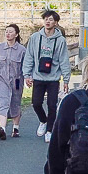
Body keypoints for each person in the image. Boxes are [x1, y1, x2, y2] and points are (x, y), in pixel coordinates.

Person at [22, 9, 70, 143]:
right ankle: (43, 121)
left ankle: (49, 130)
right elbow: (29, 56)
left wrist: (66, 79)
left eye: (50, 19)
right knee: (36, 103)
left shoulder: (60, 40)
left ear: (55, 22)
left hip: (53, 78)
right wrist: (27, 74)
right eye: (46, 19)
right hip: (38, 76)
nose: (47, 22)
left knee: (52, 105)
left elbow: (64, 60)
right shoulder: (35, 38)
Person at [0, 24, 26, 140]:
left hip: (17, 80)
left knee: (15, 102)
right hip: (1, 79)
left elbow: (27, 65)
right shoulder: (0, 47)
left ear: (16, 34)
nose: (8, 34)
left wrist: (28, 77)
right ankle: (2, 129)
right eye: (6, 31)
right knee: (2, 102)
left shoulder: (22, 50)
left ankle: (15, 128)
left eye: (11, 32)